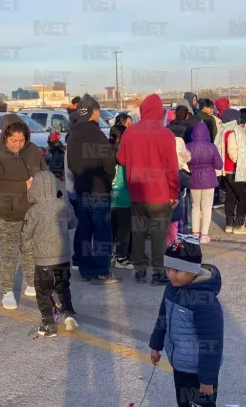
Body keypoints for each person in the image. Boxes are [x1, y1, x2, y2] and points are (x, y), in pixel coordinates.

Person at [149, 235, 223, 407]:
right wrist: (155, 345)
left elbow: (212, 342)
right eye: (168, 269)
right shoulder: (172, 289)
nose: (171, 275)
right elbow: (162, 318)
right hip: (180, 365)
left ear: (192, 270)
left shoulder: (204, 301)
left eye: (177, 270)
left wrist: (207, 378)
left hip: (199, 372)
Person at [0, 113, 47, 309]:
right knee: (9, 252)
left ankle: (30, 283)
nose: (18, 144)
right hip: (6, 212)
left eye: (22, 140)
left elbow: (44, 174)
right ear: (4, 137)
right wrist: (23, 185)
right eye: (13, 141)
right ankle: (8, 291)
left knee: (29, 249)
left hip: (30, 211)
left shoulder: (34, 150)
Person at [117, 94, 179, 286]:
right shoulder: (166, 134)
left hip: (137, 193)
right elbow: (172, 168)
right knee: (159, 234)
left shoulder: (130, 132)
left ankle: (140, 270)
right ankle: (159, 272)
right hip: (160, 195)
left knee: (139, 232)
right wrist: (174, 193)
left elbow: (121, 159)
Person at [67, 95, 120, 284]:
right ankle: (101, 270)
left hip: (81, 189)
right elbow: (109, 163)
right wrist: (108, 179)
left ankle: (85, 268)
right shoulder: (97, 134)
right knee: (102, 231)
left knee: (84, 229)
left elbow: (71, 163)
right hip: (99, 190)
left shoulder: (73, 134)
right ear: (94, 112)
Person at [21, 170, 79, 338]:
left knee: (43, 292)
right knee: (63, 286)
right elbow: (73, 223)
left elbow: (26, 234)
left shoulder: (34, 211)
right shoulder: (63, 204)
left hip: (43, 260)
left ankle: (49, 324)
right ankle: (68, 315)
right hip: (63, 257)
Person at [216, 109, 246, 234]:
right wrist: (241, 161)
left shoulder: (222, 131)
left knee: (230, 197)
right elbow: (233, 152)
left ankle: (229, 223)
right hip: (234, 169)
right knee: (244, 196)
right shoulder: (233, 132)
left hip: (225, 171)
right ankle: (239, 225)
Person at [186, 122, 223, 244]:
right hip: (209, 180)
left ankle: (195, 233)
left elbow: (184, 163)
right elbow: (219, 165)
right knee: (207, 207)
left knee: (195, 207)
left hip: (193, 180)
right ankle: (204, 235)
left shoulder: (188, 146)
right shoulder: (211, 146)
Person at [109, 124, 133, 269]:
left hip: (110, 197)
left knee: (111, 228)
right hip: (124, 197)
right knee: (124, 229)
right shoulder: (126, 153)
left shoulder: (105, 151)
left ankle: (111, 254)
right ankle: (121, 257)